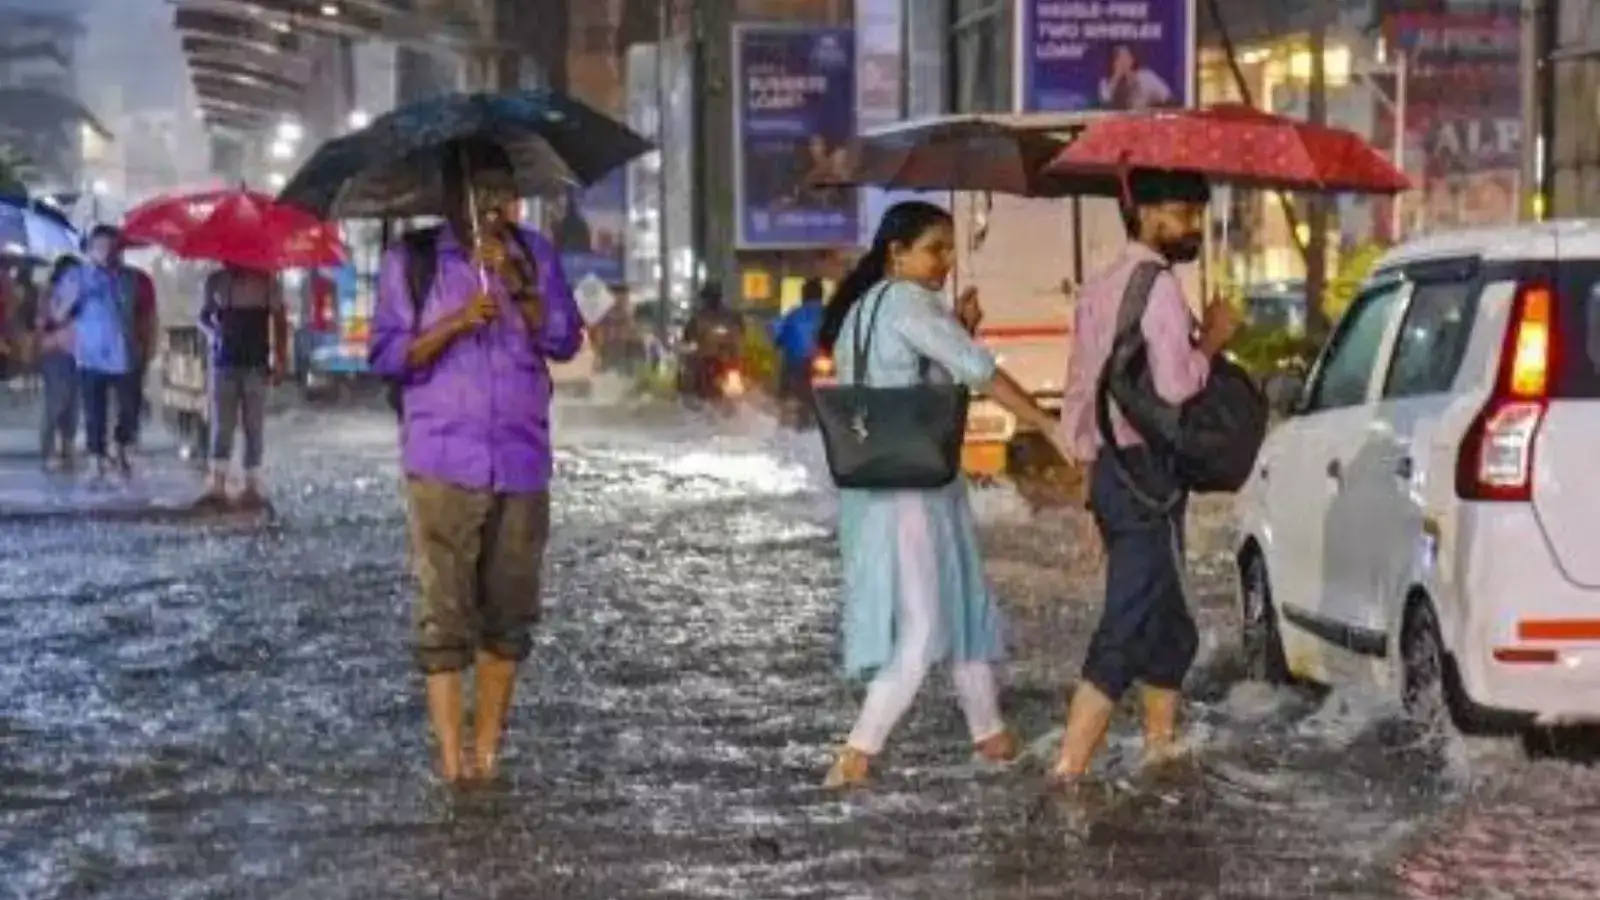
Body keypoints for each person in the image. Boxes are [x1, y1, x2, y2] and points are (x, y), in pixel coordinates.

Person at [819, 200, 1071, 789]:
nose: (948, 260)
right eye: (936, 248)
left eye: (952, 248)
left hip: (896, 483)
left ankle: (991, 737)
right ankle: (856, 755)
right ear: (897, 253)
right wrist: (1047, 424)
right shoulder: (907, 302)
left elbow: (914, 377)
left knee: (962, 613)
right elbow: (978, 372)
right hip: (911, 490)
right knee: (927, 629)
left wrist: (958, 325)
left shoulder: (864, 309)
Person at [368, 137, 584, 785]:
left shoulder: (533, 255)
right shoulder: (413, 261)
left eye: (505, 192)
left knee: (510, 610)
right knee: (444, 610)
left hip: (521, 458)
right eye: (485, 193)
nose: (498, 207)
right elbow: (387, 355)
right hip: (442, 460)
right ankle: (449, 757)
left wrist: (521, 290)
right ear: (455, 199)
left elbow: (566, 340)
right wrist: (459, 321)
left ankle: (487, 751)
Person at [1052, 169, 1239, 785]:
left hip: (1112, 470)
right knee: (1128, 619)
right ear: (1148, 213)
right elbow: (1177, 385)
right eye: (1184, 214)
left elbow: (1079, 391)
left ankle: (1160, 745)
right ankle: (1067, 772)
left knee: (1170, 624)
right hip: (1148, 477)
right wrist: (1211, 340)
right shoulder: (1157, 287)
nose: (1192, 229)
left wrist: (1090, 485)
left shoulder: (1099, 285)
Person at [196, 263, 289, 506]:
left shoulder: (268, 282)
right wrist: (213, 333)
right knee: (222, 422)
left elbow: (280, 321)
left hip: (256, 363)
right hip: (223, 361)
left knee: (253, 423)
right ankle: (218, 480)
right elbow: (203, 317)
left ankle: (252, 482)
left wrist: (280, 359)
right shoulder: (216, 281)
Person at [55, 225, 142, 480]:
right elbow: (57, 314)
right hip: (91, 355)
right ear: (90, 249)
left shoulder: (130, 278)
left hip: (124, 354)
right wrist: (71, 299)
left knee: (130, 408)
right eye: (101, 247)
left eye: (113, 247)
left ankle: (122, 445)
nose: (107, 253)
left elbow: (140, 313)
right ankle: (97, 457)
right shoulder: (76, 277)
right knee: (94, 410)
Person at [37, 256, 80, 470]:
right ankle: (48, 450)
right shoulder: (49, 295)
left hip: (77, 354)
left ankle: (68, 447)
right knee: (55, 401)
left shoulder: (81, 295)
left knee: (73, 403)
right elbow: (43, 323)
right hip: (54, 352)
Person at [770, 277, 826, 422]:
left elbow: (778, 333)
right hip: (827, 365)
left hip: (797, 364)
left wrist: (778, 341)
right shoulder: (830, 314)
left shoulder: (794, 315)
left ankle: (787, 414)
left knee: (787, 396)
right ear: (821, 295)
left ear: (803, 295)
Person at [678, 283, 744, 400]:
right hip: (729, 358)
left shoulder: (698, 316)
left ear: (705, 298)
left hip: (707, 359)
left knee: (692, 380)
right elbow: (742, 331)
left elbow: (687, 336)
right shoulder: (733, 316)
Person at [1099, 45, 1174, 111]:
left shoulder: (1147, 76)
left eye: (1125, 59)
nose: (1123, 64)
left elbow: (1169, 100)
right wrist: (1116, 78)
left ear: (1132, 60)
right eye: (1118, 60)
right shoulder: (1105, 83)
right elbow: (1105, 106)